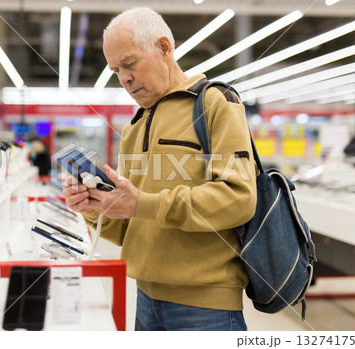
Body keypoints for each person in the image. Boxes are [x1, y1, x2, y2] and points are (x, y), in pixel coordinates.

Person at [62, 7, 257, 331]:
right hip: (144, 301)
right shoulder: (134, 126)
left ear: (164, 48)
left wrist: (144, 203)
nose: (123, 77)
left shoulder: (215, 103)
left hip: (205, 308)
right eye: (116, 70)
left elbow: (239, 198)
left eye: (129, 63)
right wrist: (93, 207)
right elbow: (128, 229)